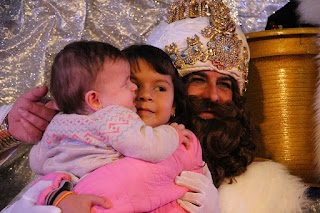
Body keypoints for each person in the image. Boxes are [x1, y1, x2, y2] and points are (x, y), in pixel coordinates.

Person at [0, 0, 311, 212]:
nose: (214, 96)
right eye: (198, 79)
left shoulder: (265, 187)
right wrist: (11, 128)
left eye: (226, 84)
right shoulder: (88, 136)